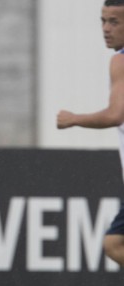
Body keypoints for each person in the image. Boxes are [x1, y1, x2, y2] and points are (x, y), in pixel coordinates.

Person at [57, 0, 124, 266]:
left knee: (114, 243)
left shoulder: (120, 61)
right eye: (103, 20)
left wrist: (74, 119)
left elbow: (115, 115)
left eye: (115, 22)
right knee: (114, 243)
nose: (106, 28)